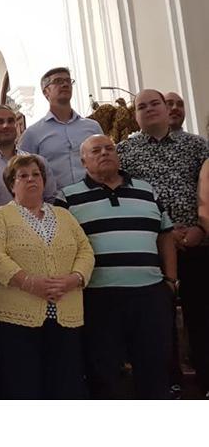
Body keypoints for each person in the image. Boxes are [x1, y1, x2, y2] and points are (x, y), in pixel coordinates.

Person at [56, 134, 176, 399]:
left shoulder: (147, 190)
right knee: (104, 373)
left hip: (150, 295)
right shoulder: (67, 198)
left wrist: (170, 280)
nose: (104, 153)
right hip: (98, 297)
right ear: (83, 161)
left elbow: (165, 235)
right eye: (96, 150)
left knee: (155, 368)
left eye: (109, 148)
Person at [116, 89, 209, 396]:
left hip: (196, 242)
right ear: (135, 116)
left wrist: (201, 229)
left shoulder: (196, 145)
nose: (149, 109)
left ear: (167, 109)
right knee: (158, 322)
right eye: (142, 106)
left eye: (155, 103)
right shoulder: (124, 152)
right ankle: (171, 384)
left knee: (201, 315)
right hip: (152, 247)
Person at [0, 154, 94, 398]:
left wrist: (74, 279)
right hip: (17, 317)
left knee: (65, 384)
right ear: (12, 185)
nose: (31, 179)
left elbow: (85, 250)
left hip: (66, 312)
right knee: (23, 385)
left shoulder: (64, 215)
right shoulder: (0, 216)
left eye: (36, 175)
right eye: (23, 176)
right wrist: (28, 283)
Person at [0, 105, 57, 219]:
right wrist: (8, 224)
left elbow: (50, 199)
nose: (6, 125)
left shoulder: (38, 162)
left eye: (10, 121)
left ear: (16, 125)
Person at [18, 67, 102, 189]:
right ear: (46, 92)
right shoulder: (33, 133)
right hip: (56, 198)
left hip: (95, 194)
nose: (65, 84)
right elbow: (23, 171)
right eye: (58, 81)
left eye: (68, 81)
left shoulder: (92, 127)